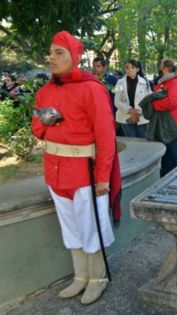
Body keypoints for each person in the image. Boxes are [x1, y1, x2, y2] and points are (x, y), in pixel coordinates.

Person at [31, 31, 120, 305]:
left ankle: (98, 278)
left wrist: (102, 176)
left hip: (85, 172)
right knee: (70, 228)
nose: (52, 58)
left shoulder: (92, 89)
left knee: (90, 227)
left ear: (74, 57)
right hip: (55, 171)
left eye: (59, 53)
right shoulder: (44, 91)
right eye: (51, 52)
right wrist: (46, 121)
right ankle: (80, 276)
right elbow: (36, 130)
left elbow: (106, 136)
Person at [152, 59, 177, 177]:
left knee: (175, 155)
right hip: (165, 124)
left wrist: (154, 104)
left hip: (174, 125)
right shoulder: (165, 82)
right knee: (166, 155)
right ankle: (165, 178)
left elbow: (171, 102)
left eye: (161, 68)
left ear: (165, 69)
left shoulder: (176, 83)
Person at [114, 59, 152, 138]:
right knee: (131, 142)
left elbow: (149, 99)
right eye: (127, 67)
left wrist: (137, 112)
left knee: (143, 142)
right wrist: (130, 110)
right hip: (125, 116)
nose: (130, 70)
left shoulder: (145, 82)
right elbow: (116, 101)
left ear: (137, 69)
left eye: (133, 67)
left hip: (142, 116)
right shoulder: (120, 82)